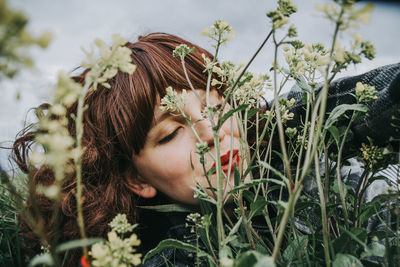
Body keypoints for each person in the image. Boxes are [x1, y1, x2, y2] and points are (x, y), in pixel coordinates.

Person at [11, 32, 400, 266]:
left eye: (215, 107)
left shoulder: (303, 145)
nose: (210, 132)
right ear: (135, 179)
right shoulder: (165, 256)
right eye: (169, 134)